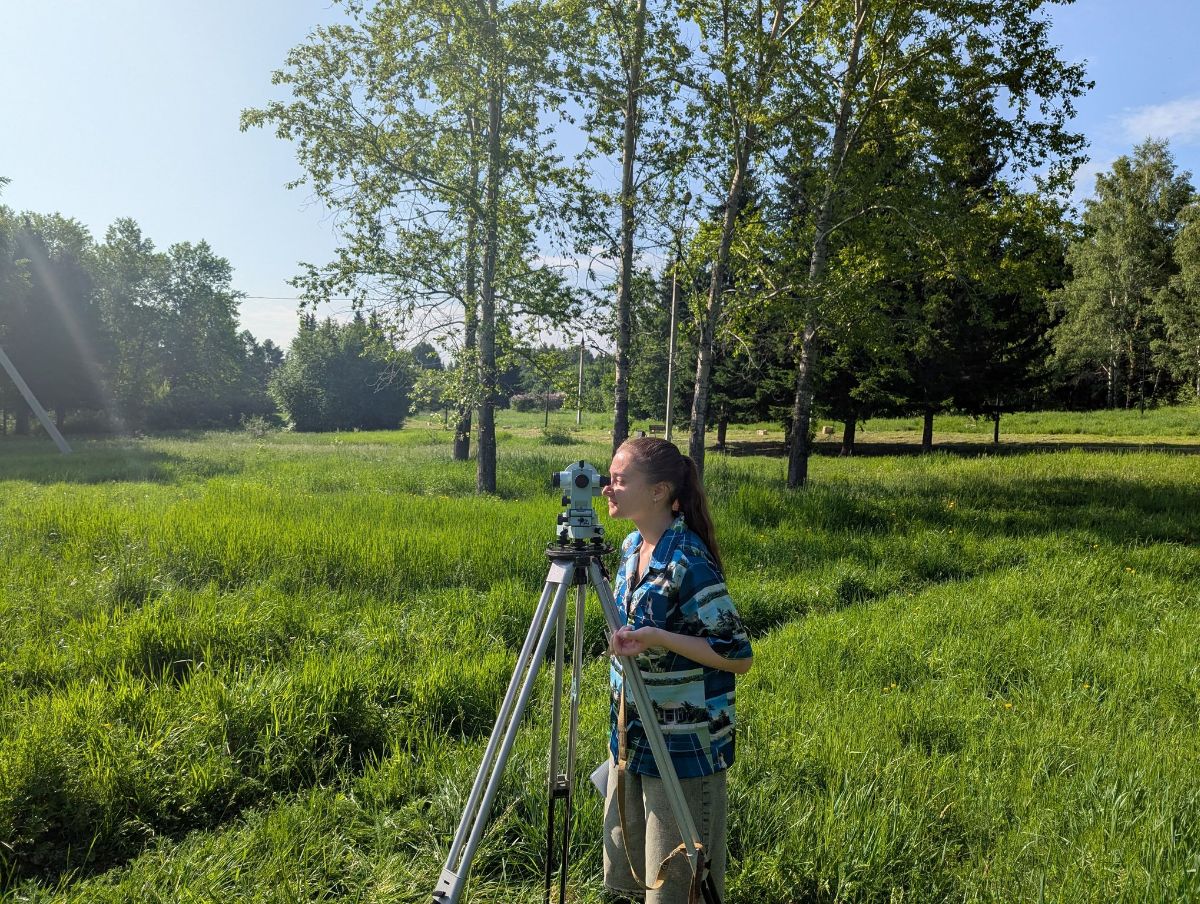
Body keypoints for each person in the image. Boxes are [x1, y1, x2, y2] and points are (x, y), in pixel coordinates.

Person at [600, 436, 753, 904]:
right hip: (633, 735)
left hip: (682, 745)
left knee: (677, 886)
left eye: (620, 480)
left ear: (658, 491)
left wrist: (658, 638)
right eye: (609, 478)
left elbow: (737, 653)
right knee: (635, 875)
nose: (607, 488)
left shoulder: (688, 560)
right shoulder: (632, 546)